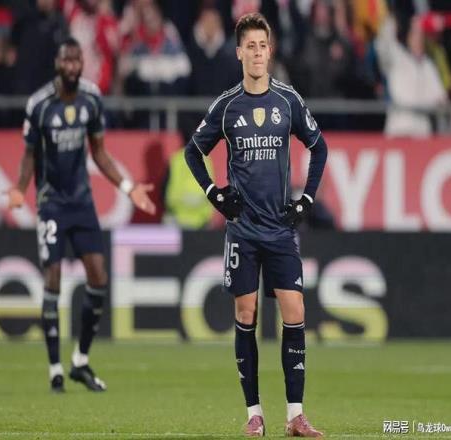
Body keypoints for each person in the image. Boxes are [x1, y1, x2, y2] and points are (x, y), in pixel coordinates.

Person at [184, 13, 327, 438]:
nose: (258, 53)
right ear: (239, 53)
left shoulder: (287, 100)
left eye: (263, 46)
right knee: (245, 314)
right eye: (251, 46)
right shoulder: (227, 106)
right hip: (243, 231)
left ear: (270, 50)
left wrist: (306, 200)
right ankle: (254, 413)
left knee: (295, 311)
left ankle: (296, 415)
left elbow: (319, 147)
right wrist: (214, 194)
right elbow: (193, 152)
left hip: (280, 229)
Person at [7, 37, 155, 393]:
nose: (72, 66)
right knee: (53, 278)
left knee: (99, 277)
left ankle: (80, 361)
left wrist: (128, 187)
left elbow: (100, 153)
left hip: (82, 203)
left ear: (81, 63)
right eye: (66, 60)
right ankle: (54, 369)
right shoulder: (40, 104)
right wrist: (19, 188)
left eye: (77, 60)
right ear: (57, 64)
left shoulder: (91, 99)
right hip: (51, 203)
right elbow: (29, 154)